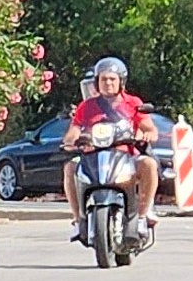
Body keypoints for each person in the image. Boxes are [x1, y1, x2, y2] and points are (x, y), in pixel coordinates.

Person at [63, 56, 157, 247]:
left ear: (121, 81)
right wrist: (71, 142)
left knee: (149, 164)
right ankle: (78, 220)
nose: (108, 83)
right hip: (93, 158)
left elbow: (150, 129)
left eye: (112, 79)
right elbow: (73, 131)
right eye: (103, 79)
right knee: (70, 168)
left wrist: (147, 135)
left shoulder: (133, 103)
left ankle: (141, 216)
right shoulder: (86, 106)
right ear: (96, 82)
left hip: (126, 157)